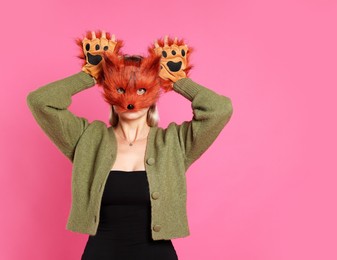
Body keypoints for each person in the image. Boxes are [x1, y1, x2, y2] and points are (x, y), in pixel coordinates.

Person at [26, 31, 233, 259]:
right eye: (122, 89)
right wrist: (91, 75)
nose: (132, 101)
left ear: (153, 95)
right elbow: (40, 102)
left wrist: (177, 81)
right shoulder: (86, 139)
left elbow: (219, 110)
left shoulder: (174, 143)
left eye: (142, 90)